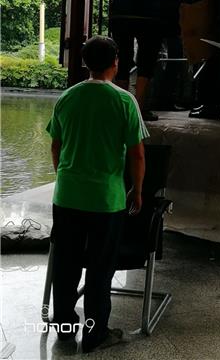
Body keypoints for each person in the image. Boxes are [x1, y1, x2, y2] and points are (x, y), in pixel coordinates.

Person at [46, 36, 148, 353]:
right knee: (100, 268)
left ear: (85, 62)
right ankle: (95, 334)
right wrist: (137, 190)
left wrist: (65, 178)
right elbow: (137, 155)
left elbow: (56, 146)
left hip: (67, 196)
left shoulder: (67, 98)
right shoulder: (124, 101)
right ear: (116, 62)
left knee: (65, 264)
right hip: (106, 200)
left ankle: (64, 329)